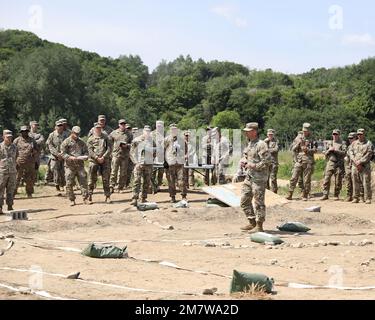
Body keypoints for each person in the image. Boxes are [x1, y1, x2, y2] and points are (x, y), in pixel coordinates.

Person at [240, 123, 270, 233]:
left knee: (258, 202)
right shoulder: (250, 144)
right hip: (249, 177)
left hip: (259, 178)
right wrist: (243, 161)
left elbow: (267, 162)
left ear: (254, 131)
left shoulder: (261, 145)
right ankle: (251, 222)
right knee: (244, 200)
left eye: (248, 131)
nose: (246, 133)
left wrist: (254, 166)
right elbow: (246, 156)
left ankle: (259, 225)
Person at [286, 123, 317, 201]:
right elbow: (292, 148)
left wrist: (307, 150)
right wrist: (298, 144)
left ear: (309, 131)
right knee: (294, 177)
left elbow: (315, 150)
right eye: (304, 131)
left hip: (308, 161)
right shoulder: (298, 138)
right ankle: (290, 193)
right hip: (299, 160)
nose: (305, 132)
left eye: (306, 131)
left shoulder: (312, 139)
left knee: (307, 180)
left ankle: (305, 195)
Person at [60, 126, 89, 206]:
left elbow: (86, 152)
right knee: (69, 183)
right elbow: (62, 153)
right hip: (70, 166)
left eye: (78, 133)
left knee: (83, 182)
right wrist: (70, 157)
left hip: (80, 165)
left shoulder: (82, 142)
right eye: (75, 133)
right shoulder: (66, 142)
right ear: (72, 132)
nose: (77, 135)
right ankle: (71, 199)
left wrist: (84, 157)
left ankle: (85, 198)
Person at [129, 126, 156, 206]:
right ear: (143, 132)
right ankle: (134, 198)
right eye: (146, 131)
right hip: (139, 164)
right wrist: (136, 162)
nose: (147, 133)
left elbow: (155, 152)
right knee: (136, 181)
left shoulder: (152, 141)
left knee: (146, 182)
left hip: (148, 164)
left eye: (149, 131)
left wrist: (152, 160)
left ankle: (143, 198)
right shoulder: (136, 140)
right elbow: (132, 153)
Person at [87, 123, 113, 204]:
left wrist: (104, 157)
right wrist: (96, 158)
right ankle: (89, 196)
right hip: (94, 161)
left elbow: (109, 148)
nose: (98, 129)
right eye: (97, 128)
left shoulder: (106, 137)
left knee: (106, 179)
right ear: (94, 129)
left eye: (99, 128)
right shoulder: (90, 139)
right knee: (92, 179)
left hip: (105, 161)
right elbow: (89, 150)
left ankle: (107, 196)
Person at [349, 129, 373, 204]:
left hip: (364, 166)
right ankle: (356, 197)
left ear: (364, 134)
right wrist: (354, 161)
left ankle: (368, 198)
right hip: (355, 165)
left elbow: (369, 154)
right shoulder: (354, 143)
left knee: (366, 182)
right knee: (355, 181)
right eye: (358, 134)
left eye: (361, 134)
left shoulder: (368, 143)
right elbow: (350, 152)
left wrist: (360, 161)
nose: (359, 135)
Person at [321, 129, 347, 201]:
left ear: (339, 135)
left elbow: (344, 153)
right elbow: (324, 152)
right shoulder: (329, 143)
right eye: (334, 134)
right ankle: (325, 194)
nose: (335, 136)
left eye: (336, 134)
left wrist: (336, 150)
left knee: (338, 180)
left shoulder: (342, 143)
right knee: (326, 178)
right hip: (330, 162)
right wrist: (329, 150)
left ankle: (336, 194)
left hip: (339, 163)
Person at [164, 124, 187, 203]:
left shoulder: (181, 140)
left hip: (179, 163)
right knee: (171, 181)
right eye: (172, 130)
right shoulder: (166, 139)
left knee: (182, 180)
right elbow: (162, 150)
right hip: (170, 163)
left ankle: (183, 196)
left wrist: (184, 156)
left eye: (175, 130)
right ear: (170, 130)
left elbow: (186, 149)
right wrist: (165, 161)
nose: (174, 131)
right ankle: (172, 197)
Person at [13, 126, 38, 198]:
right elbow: (13, 151)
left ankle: (29, 193)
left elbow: (37, 150)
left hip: (30, 163)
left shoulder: (32, 140)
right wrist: (14, 162)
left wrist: (34, 151)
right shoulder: (16, 140)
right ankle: (13, 193)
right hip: (19, 163)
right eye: (23, 131)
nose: (25, 133)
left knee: (29, 179)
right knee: (17, 178)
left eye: (26, 131)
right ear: (21, 132)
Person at [110, 119, 133, 193]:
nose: (123, 125)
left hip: (125, 155)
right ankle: (112, 186)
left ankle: (120, 187)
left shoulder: (129, 134)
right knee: (114, 171)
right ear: (119, 125)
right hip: (116, 155)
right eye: (121, 124)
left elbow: (132, 144)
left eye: (124, 124)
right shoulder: (113, 133)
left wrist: (127, 145)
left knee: (123, 173)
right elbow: (109, 143)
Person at [46, 121, 66, 195]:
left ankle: (63, 185)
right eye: (58, 125)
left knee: (63, 171)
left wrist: (62, 154)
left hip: (63, 156)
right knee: (55, 171)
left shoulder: (66, 134)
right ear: (55, 127)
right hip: (55, 156)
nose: (60, 127)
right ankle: (57, 186)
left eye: (61, 125)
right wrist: (57, 154)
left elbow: (67, 144)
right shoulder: (52, 135)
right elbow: (50, 146)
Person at [0, 130, 17, 214]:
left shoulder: (14, 147)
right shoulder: (0, 147)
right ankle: (0, 207)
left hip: (12, 171)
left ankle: (10, 206)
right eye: (7, 137)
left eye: (10, 137)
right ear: (3, 137)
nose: (9, 139)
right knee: (0, 190)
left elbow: (16, 157)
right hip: (2, 171)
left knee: (11, 190)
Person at [152, 120, 166, 192]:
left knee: (161, 171)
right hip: (154, 155)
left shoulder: (165, 134)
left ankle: (158, 185)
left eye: (161, 126)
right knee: (153, 171)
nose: (159, 127)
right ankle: (152, 185)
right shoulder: (152, 134)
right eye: (158, 126)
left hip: (162, 155)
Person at [264, 129, 279, 193]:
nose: (270, 135)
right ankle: (267, 191)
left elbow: (276, 150)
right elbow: (261, 150)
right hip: (266, 162)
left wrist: (267, 150)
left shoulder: (276, 141)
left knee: (273, 178)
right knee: (266, 178)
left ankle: (274, 192)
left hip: (273, 162)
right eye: (269, 134)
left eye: (271, 134)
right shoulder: (264, 141)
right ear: (267, 135)